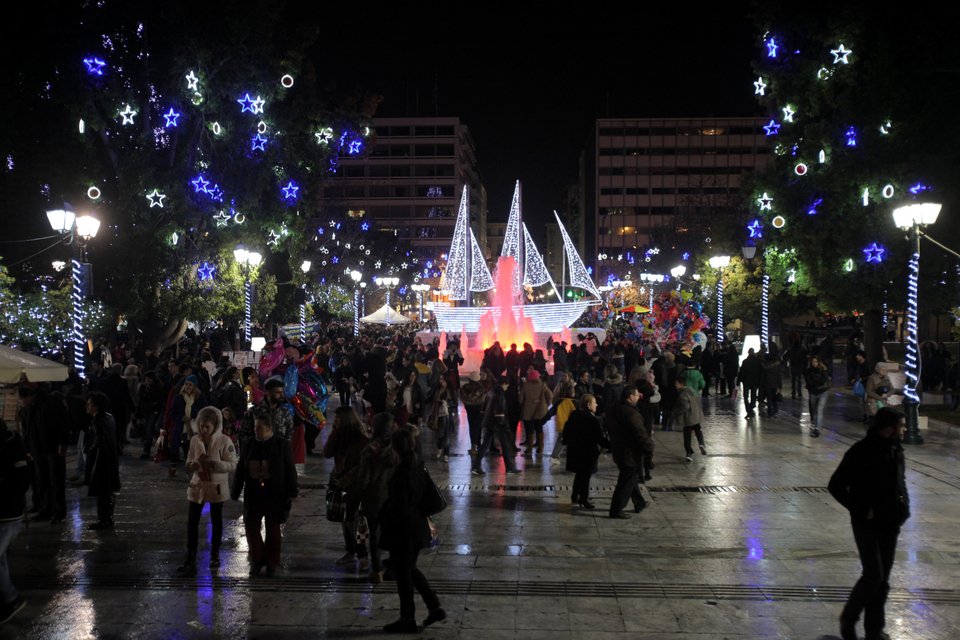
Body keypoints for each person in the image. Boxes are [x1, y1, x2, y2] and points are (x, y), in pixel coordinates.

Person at [828, 407, 910, 640]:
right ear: (888, 428)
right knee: (873, 574)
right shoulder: (861, 451)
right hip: (867, 523)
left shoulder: (896, 450)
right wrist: (862, 509)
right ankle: (849, 618)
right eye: (901, 426)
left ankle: (874, 630)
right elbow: (835, 485)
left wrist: (905, 509)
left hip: (891, 522)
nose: (903, 430)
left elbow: (900, 483)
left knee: (882, 581)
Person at [378, 428, 445, 633]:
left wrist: (386, 518)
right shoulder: (418, 465)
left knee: (404, 574)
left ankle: (408, 619)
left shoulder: (402, 473)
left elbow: (400, 507)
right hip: (416, 526)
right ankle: (433, 607)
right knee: (409, 569)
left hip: (404, 531)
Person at [231, 415, 298, 577]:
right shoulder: (248, 444)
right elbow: (241, 469)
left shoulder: (281, 445)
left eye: (259, 428)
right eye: (255, 428)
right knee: (251, 527)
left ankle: (272, 562)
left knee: (273, 529)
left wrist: (291, 492)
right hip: (253, 493)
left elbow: (290, 470)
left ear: (269, 429)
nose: (256, 431)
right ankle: (257, 559)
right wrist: (235, 489)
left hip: (274, 493)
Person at [176, 407, 238, 575]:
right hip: (197, 486)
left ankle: (215, 553)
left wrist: (216, 465)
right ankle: (190, 556)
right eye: (201, 426)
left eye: (207, 427)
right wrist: (191, 465)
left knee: (216, 521)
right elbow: (189, 458)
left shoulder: (224, 441)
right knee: (192, 523)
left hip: (216, 486)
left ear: (215, 426)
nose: (203, 430)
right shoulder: (195, 441)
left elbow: (233, 463)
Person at [323, 406, 371, 567]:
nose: (335, 421)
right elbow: (327, 452)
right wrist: (334, 433)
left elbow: (362, 464)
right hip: (339, 481)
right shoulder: (338, 436)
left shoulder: (361, 439)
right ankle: (351, 551)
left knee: (356, 520)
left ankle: (362, 553)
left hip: (355, 485)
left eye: (338, 419)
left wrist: (348, 478)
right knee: (345, 520)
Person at [355, 412, 399, 584]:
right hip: (395, 497)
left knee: (374, 535)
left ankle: (378, 571)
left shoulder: (369, 450)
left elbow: (363, 479)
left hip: (374, 498)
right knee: (396, 533)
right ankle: (394, 569)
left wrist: (357, 496)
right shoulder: (399, 448)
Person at [605, 385, 653, 519]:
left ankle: (639, 503)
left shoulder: (614, 409)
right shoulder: (632, 414)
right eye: (637, 395)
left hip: (618, 450)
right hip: (629, 453)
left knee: (629, 479)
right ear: (631, 397)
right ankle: (616, 509)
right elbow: (641, 434)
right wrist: (649, 448)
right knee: (626, 481)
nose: (639, 396)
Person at [0, 418, 29, 624]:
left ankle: (11, 600)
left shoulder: (12, 446)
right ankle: (9, 598)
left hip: (9, 513)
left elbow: (21, 481)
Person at [562, 395, 609, 509]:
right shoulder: (592, 420)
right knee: (585, 477)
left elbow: (566, 432)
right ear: (588, 405)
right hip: (588, 453)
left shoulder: (574, 415)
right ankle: (583, 499)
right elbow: (599, 438)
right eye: (594, 403)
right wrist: (612, 446)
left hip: (575, 451)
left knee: (579, 474)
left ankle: (575, 496)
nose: (596, 405)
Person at [84, 392, 121, 530]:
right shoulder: (109, 417)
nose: (87, 406)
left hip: (101, 460)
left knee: (102, 491)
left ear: (96, 406)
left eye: (89, 404)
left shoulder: (98, 420)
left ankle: (104, 519)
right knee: (107, 491)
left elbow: (98, 440)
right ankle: (107, 518)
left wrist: (90, 449)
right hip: (109, 459)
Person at [472, 377, 519, 475]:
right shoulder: (499, 394)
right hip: (497, 423)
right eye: (507, 385)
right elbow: (499, 410)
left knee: (485, 444)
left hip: (489, 422)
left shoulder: (491, 392)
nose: (507, 387)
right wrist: (504, 425)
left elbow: (484, 407)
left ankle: (476, 466)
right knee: (505, 444)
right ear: (504, 384)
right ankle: (509, 467)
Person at [519, 369, 552, 455]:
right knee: (539, 429)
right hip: (540, 411)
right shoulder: (543, 385)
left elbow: (520, 400)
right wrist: (546, 404)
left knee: (529, 430)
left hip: (527, 411)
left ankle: (529, 449)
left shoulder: (525, 386)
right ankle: (540, 448)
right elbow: (550, 395)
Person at [674, 376, 707, 462]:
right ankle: (701, 443)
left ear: (681, 384)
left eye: (676, 384)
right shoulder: (693, 391)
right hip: (696, 415)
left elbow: (685, 406)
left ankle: (689, 453)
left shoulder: (682, 394)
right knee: (698, 429)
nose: (675, 385)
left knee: (687, 435)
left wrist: (677, 412)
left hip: (688, 417)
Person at [804, 355, 832, 437]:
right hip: (813, 392)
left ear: (819, 362)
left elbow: (823, 381)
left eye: (816, 362)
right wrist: (816, 382)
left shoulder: (823, 370)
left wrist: (815, 381)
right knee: (814, 410)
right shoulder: (808, 371)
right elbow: (809, 381)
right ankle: (815, 425)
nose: (814, 363)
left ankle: (817, 429)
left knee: (819, 410)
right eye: (813, 362)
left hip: (822, 392)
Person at [460, 371, 487, 454]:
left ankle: (473, 446)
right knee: (478, 427)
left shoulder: (464, 388)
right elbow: (484, 399)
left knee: (472, 427)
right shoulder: (481, 389)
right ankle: (477, 446)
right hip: (479, 409)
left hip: (469, 409)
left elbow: (462, 397)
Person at [739, 348, 762, 417]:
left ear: (748, 353)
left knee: (745, 397)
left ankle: (748, 410)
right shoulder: (757, 361)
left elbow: (741, 372)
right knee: (753, 395)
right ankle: (751, 407)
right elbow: (760, 372)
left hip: (746, 382)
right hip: (755, 381)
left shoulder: (745, 361)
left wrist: (738, 381)